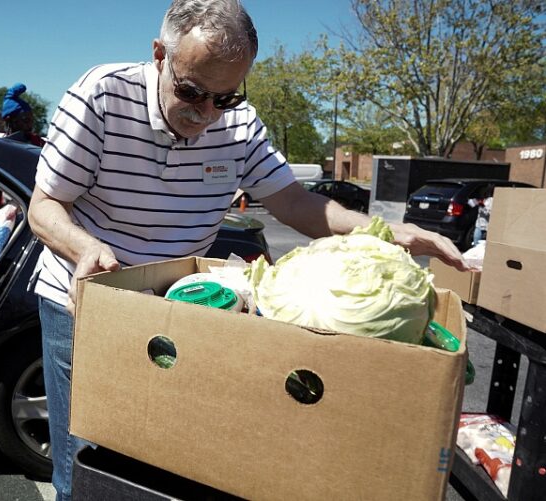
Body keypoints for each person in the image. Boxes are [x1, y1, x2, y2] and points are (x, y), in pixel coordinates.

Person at [26, 1, 468, 498]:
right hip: (85, 298)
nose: (206, 113)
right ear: (158, 55)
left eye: (225, 98)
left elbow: (294, 201)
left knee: (158, 457)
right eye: (192, 91)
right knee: (87, 458)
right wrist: (86, 248)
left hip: (175, 302)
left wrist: (384, 230)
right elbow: (43, 207)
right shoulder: (102, 95)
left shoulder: (240, 126)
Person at [0, 83, 45, 211]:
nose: (30, 124)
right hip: (13, 205)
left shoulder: (38, 143)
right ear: (11, 120)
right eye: (25, 120)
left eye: (31, 119)